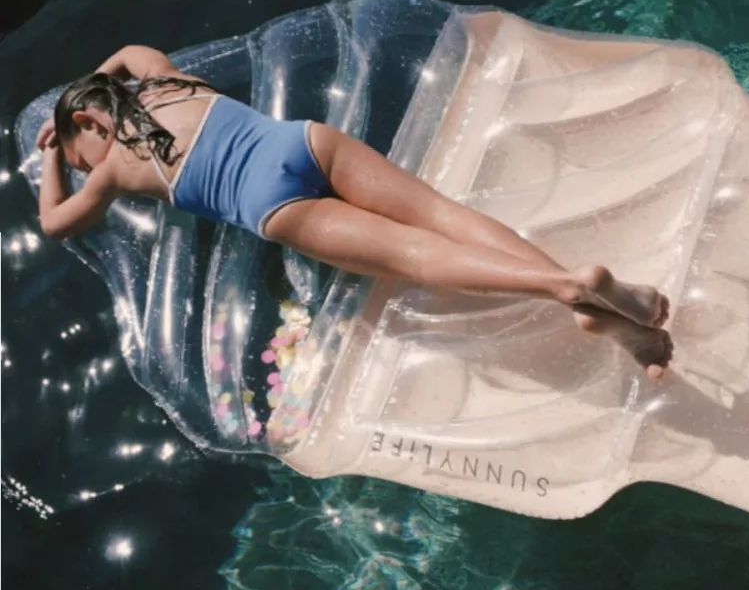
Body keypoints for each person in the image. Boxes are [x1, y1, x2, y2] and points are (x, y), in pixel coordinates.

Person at [35, 45, 673, 379]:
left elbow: (54, 224)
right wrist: (80, 101)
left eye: (79, 153)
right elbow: (127, 52)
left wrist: (54, 159)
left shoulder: (113, 170)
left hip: (272, 205)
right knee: (442, 215)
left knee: (415, 254)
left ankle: (564, 287)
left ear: (90, 121)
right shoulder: (166, 81)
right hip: (304, 142)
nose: (87, 166)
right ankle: (597, 300)